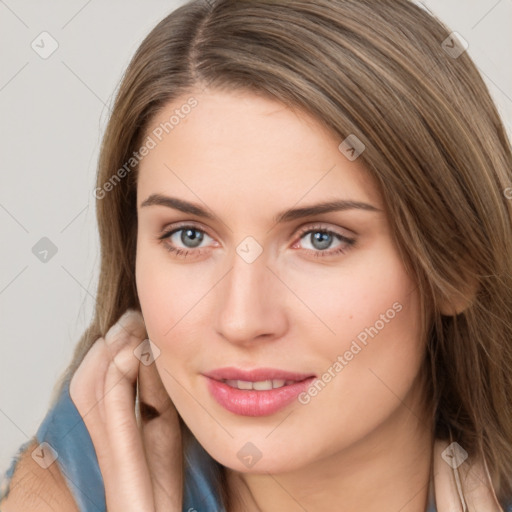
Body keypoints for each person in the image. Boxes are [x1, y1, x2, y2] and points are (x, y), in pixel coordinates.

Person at [2, 0, 512, 510]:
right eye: (189, 236)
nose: (242, 320)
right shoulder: (58, 488)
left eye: (320, 238)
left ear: (457, 265)